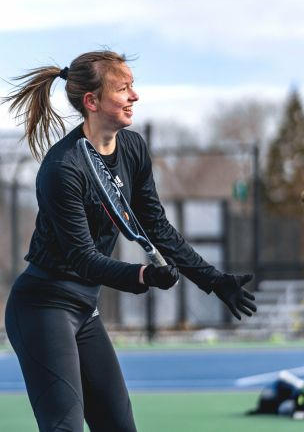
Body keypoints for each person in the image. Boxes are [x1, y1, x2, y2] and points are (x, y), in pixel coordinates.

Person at [3, 50, 257, 432]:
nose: (134, 96)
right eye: (123, 89)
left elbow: (156, 227)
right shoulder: (61, 169)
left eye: (132, 87)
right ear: (92, 102)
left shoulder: (134, 148)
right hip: (42, 308)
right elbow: (84, 258)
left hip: (84, 311)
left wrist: (212, 279)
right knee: (63, 427)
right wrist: (143, 276)